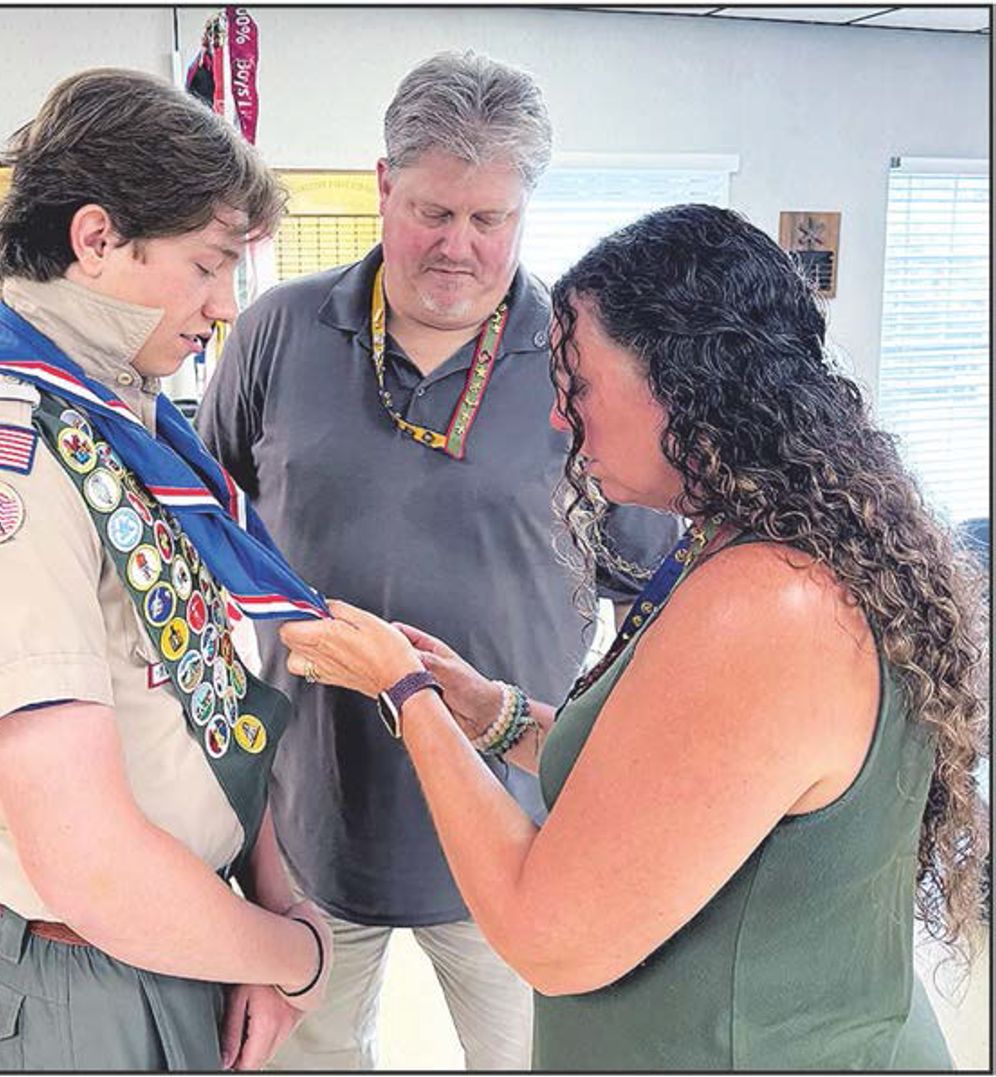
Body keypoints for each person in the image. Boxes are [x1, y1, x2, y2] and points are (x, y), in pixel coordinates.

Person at [278, 203, 989, 1070]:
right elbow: (667, 780)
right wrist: (492, 714)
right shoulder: (754, 546)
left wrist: (406, 694)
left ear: (685, 386)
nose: (556, 419)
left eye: (578, 386)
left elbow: (549, 936)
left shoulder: (771, 605)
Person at [196, 49, 679, 1070]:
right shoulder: (278, 331)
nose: (459, 246)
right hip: (313, 821)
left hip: (521, 829)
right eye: (433, 211)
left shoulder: (583, 358)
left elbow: (657, 587)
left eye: (490, 219)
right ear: (383, 185)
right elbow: (213, 521)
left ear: (524, 213)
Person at [0, 68, 333, 1071]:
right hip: (86, 969)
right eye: (208, 265)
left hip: (182, 930)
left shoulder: (125, 421)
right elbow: (89, 862)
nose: (225, 306)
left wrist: (267, 902)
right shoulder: (6, 473)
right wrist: (299, 955)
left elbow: (209, 687)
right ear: (96, 240)